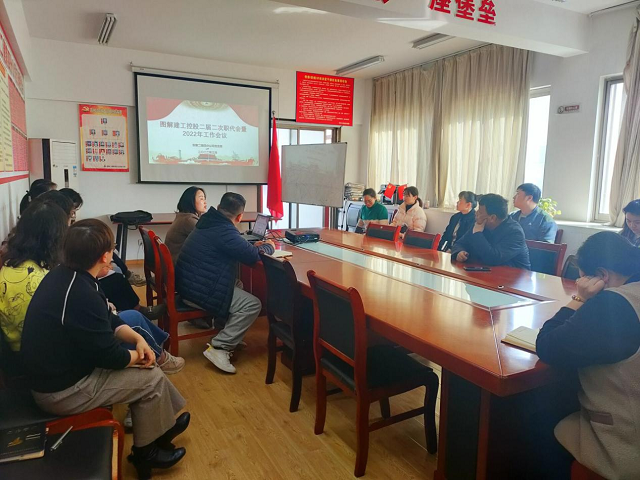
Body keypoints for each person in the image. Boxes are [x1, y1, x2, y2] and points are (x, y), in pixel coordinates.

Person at [21, 219, 189, 478]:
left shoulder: (68, 274)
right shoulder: (80, 293)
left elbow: (108, 318)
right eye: (112, 250)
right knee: (151, 377)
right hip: (60, 392)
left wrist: (137, 339)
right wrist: (140, 356)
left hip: (61, 373)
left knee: (147, 367)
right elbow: (110, 356)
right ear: (104, 256)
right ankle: (146, 454)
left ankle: (161, 429)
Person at [536, 232, 640, 479]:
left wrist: (580, 298)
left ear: (602, 276)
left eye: (583, 277)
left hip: (626, 442)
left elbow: (548, 346)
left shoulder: (614, 304)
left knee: (537, 421)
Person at [176, 192, 275, 374]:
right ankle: (220, 347)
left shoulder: (209, 221)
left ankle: (227, 333)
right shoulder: (224, 230)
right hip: (197, 291)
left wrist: (248, 245)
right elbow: (252, 256)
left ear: (218, 207)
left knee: (237, 284)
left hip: (189, 284)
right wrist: (269, 246)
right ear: (240, 217)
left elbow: (235, 246)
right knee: (253, 304)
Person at [0, 202, 67, 357]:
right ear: (55, 237)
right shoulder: (40, 280)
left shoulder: (11, 264)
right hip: (38, 355)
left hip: (19, 350)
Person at [59, 187, 146, 286]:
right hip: (82, 266)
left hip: (83, 264)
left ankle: (127, 274)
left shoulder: (66, 226)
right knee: (117, 274)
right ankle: (127, 277)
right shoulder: (63, 230)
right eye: (73, 210)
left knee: (111, 251)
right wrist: (101, 267)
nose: (74, 215)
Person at [451, 193, 531, 269]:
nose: (476, 213)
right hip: (483, 272)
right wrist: (459, 252)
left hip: (514, 276)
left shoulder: (515, 232)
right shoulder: (479, 224)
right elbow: (459, 243)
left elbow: (493, 258)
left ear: (492, 218)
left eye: (480, 212)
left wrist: (478, 233)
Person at [165, 186, 208, 262]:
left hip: (175, 260)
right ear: (191, 201)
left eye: (204, 199)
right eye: (201, 199)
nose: (205, 202)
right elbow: (207, 239)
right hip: (179, 264)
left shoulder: (184, 216)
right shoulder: (188, 220)